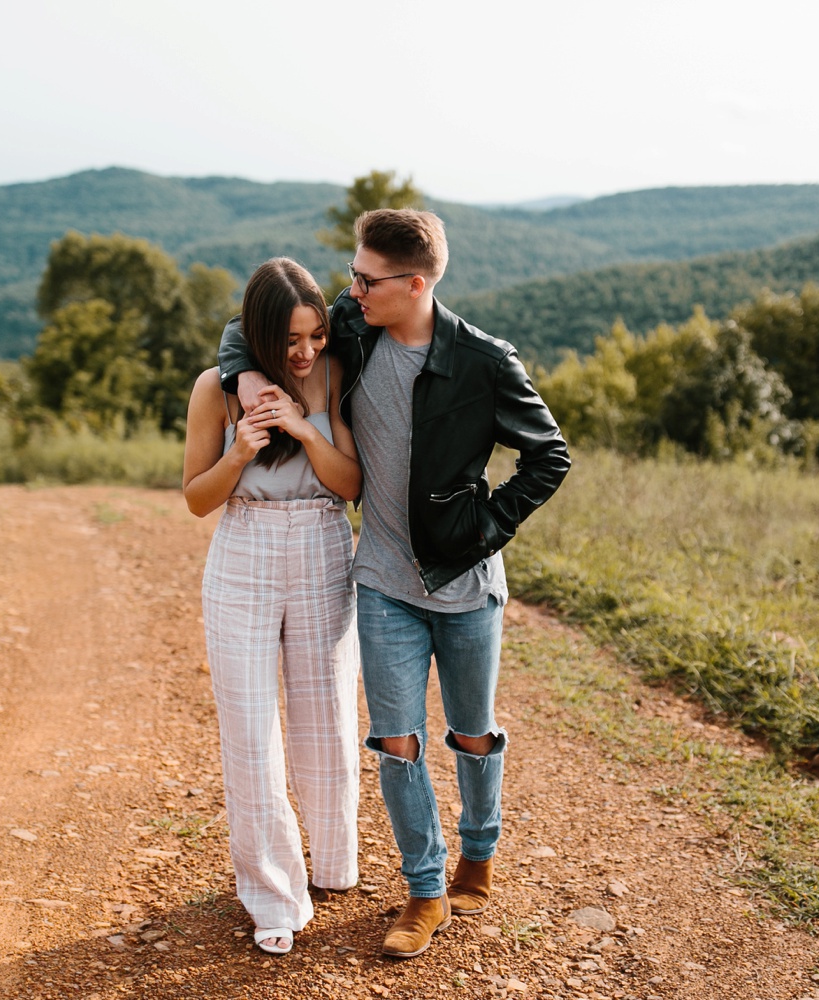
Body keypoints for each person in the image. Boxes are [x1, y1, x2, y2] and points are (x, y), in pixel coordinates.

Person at [219, 209, 570, 958]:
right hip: (380, 582)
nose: (352, 290)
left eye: (367, 279)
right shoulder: (354, 329)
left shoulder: (484, 361)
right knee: (397, 742)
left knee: (471, 733)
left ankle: (479, 851)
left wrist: (484, 526)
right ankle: (425, 891)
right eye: (352, 276)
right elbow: (252, 324)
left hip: (466, 583)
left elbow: (550, 457)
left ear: (415, 285)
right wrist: (242, 373)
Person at [183, 257, 363, 957]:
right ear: (257, 333)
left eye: (315, 335)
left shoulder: (332, 374)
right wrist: (241, 451)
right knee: (250, 731)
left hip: (321, 545)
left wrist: (306, 427)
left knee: (328, 718)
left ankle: (332, 865)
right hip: (242, 554)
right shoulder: (215, 389)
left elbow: (349, 485)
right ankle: (272, 895)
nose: (306, 351)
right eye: (291, 339)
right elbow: (197, 498)